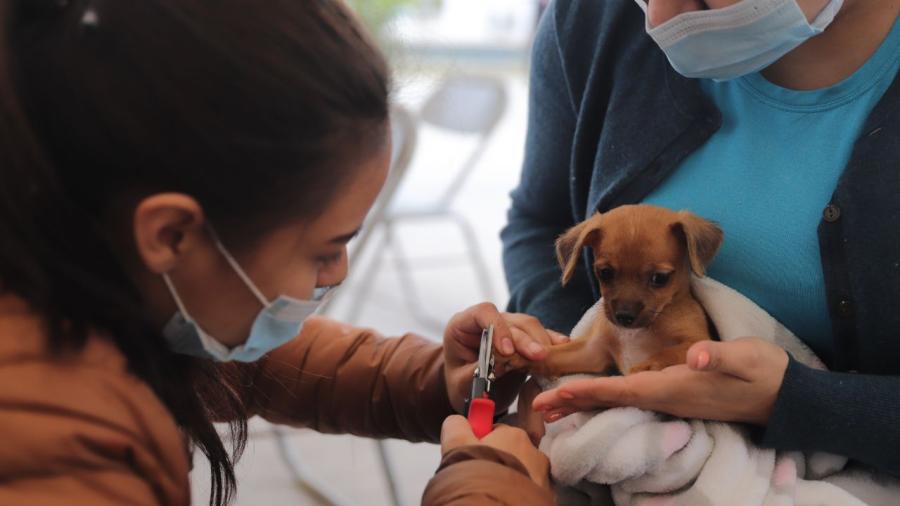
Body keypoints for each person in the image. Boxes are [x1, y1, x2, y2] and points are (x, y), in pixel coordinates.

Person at [0, 1, 560, 504]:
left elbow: (260, 366)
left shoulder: (98, 280)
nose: (337, 273)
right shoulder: (51, 447)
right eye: (326, 250)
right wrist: (490, 489)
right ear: (171, 235)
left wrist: (439, 380)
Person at [503, 0, 900, 477]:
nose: (660, 20)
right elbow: (539, 221)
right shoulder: (592, 17)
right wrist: (544, 361)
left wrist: (801, 402)